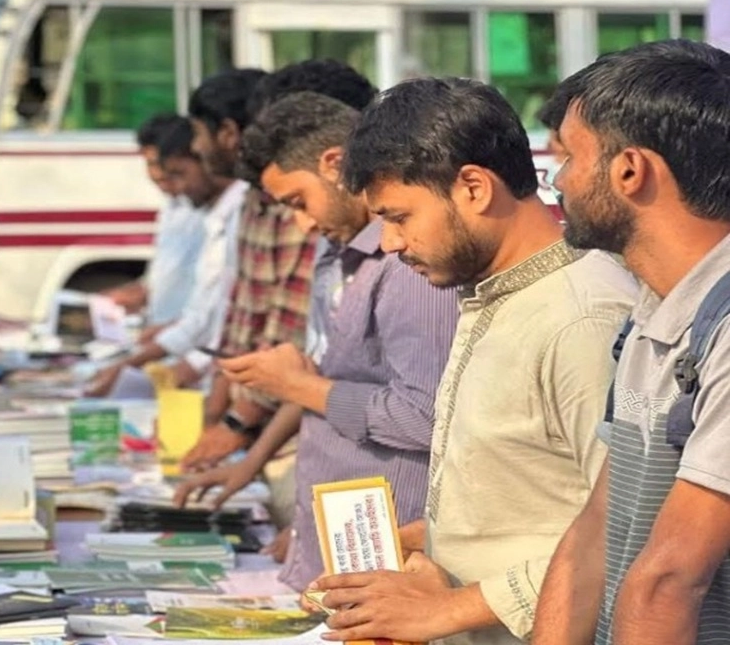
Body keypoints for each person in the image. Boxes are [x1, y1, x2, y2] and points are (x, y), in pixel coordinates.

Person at [308, 77, 636, 645]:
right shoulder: (494, 293)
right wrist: (424, 547)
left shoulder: (580, 318)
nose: (388, 244)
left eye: (399, 217)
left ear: (474, 188)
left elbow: (629, 535)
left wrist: (452, 608)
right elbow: (524, 500)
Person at [173, 91, 458, 589]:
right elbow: (326, 382)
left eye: (298, 202)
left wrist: (296, 385)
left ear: (334, 164)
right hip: (343, 545)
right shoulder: (337, 254)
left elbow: (428, 416)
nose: (302, 223)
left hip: (391, 550)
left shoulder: (408, 265)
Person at [533, 40, 730, 645]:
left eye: (568, 157)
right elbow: (596, 530)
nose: (558, 182)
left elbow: (668, 581)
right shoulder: (651, 312)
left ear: (629, 170)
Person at [180, 60, 380, 541]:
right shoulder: (339, 247)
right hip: (317, 469)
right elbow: (307, 366)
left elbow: (412, 417)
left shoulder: (391, 256)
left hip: (351, 492)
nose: (301, 224)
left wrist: (238, 426)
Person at [84, 69, 261, 396]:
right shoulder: (207, 210)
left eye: (176, 173)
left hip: (222, 377)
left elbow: (219, 322)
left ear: (227, 134)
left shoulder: (243, 209)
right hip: (202, 366)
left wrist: (140, 363)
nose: (168, 184)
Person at [102, 113, 205, 326]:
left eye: (162, 164)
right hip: (164, 336)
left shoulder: (207, 209)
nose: (158, 174)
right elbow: (169, 273)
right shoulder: (172, 208)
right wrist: (138, 292)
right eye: (149, 164)